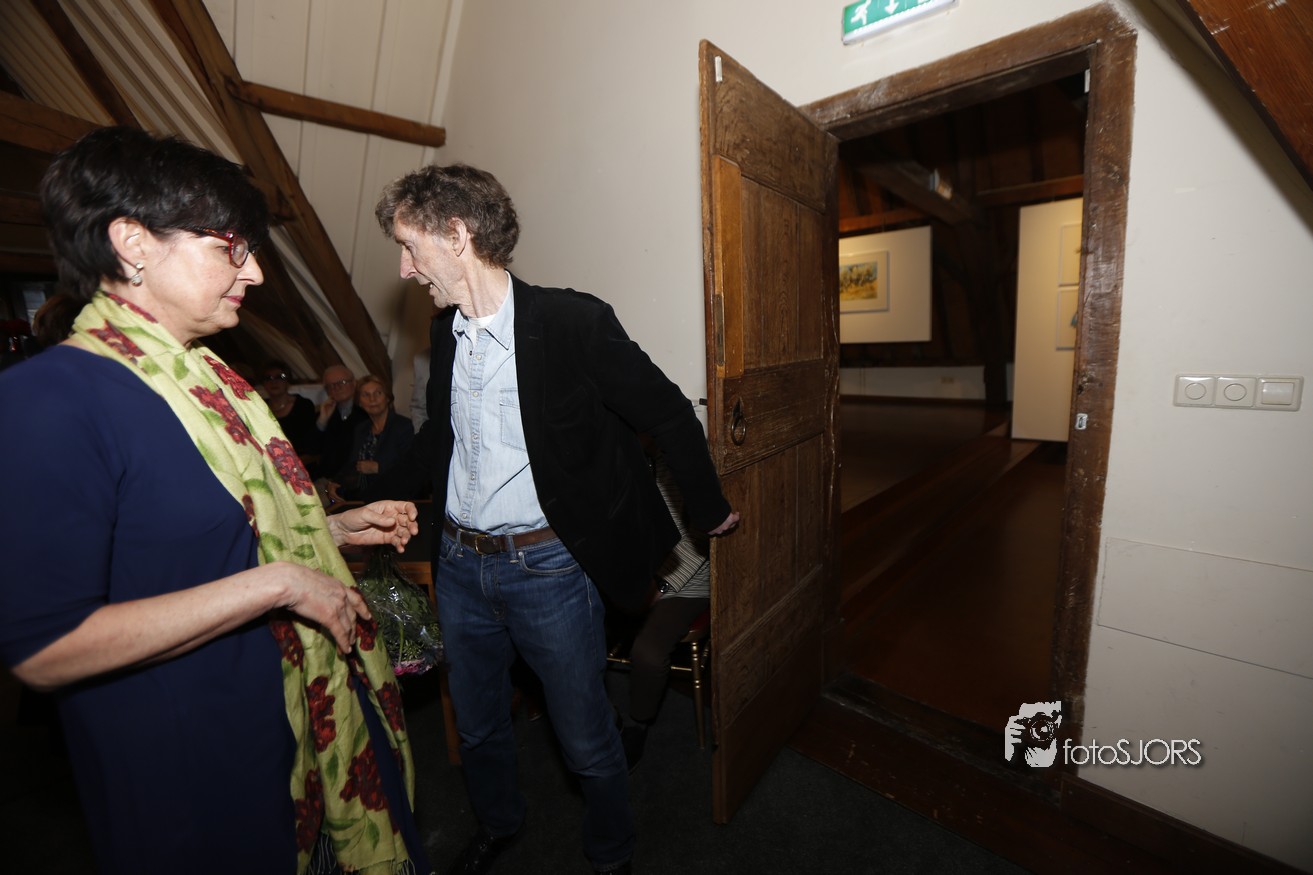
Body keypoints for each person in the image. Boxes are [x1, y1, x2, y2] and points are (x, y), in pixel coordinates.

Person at [0, 125, 433, 875]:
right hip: (201, 766)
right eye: (231, 246)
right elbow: (47, 647)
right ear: (133, 243)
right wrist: (281, 583)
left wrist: (329, 528)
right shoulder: (48, 400)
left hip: (305, 722)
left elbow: (202, 539)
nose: (255, 272)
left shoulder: (211, 381)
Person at [370, 163, 740, 875]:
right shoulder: (444, 333)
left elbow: (667, 412)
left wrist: (709, 507)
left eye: (410, 247)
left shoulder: (572, 322)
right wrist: (371, 497)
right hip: (459, 566)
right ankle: (499, 824)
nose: (404, 268)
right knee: (478, 726)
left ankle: (611, 853)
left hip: (548, 569)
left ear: (457, 234)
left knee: (584, 735)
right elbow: (439, 436)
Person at [614, 451, 711, 773]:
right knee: (576, 620)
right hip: (638, 570)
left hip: (687, 579)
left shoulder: (685, 456)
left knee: (648, 653)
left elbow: (701, 541)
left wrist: (661, 585)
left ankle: (637, 724)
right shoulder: (628, 452)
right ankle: (598, 711)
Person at [328, 374, 414, 501]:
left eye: (378, 393)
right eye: (365, 395)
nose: (372, 399)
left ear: (387, 398)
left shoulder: (403, 426)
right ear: (360, 402)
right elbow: (353, 463)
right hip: (364, 496)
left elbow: (412, 467)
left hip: (395, 496)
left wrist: (378, 467)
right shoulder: (361, 429)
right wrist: (334, 482)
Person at [262, 358, 321, 465]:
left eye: (280, 377)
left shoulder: (303, 406)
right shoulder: (260, 408)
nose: (274, 381)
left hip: (302, 462)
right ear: (264, 384)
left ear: (288, 381)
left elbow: (311, 444)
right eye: (268, 378)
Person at [316, 363, 366, 476]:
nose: (336, 388)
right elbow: (312, 449)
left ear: (354, 383)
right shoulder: (325, 411)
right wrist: (322, 421)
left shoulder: (366, 411)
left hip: (356, 476)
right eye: (331, 385)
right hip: (327, 476)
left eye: (342, 382)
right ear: (327, 391)